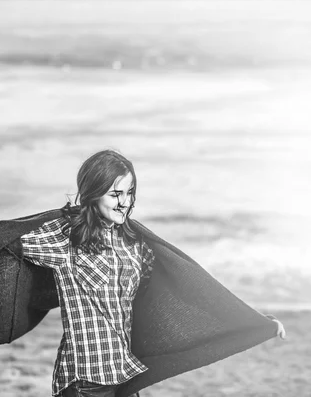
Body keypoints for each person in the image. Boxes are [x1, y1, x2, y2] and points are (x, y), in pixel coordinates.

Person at [19, 150, 286, 397]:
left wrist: (256, 323)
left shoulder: (134, 243)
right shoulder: (64, 239)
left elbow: (190, 288)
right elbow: (1, 243)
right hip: (84, 381)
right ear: (93, 193)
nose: (124, 202)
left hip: (124, 376)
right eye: (115, 195)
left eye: (129, 192)